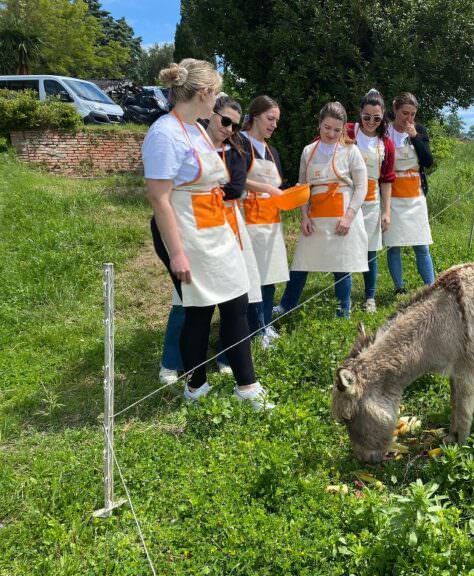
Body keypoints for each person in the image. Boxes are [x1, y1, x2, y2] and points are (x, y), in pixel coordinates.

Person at [143, 59, 272, 409]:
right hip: (188, 234)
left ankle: (247, 387)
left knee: (237, 303)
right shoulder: (164, 133)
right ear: (203, 94)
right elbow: (159, 198)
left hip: (217, 229)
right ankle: (196, 386)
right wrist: (177, 253)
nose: (216, 102)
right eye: (214, 94)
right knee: (199, 311)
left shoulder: (198, 129)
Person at [277, 102, 368, 318]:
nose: (331, 133)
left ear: (343, 128)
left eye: (337, 130)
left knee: (342, 263)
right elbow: (303, 186)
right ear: (319, 124)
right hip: (316, 215)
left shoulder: (351, 151)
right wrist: (305, 216)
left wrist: (349, 217)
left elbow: (362, 186)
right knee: (301, 261)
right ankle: (286, 306)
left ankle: (343, 310)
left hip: (342, 215)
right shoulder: (308, 151)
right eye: (327, 127)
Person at [240, 96, 289, 348]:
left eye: (276, 121)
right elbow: (233, 178)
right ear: (255, 116)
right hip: (247, 221)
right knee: (253, 279)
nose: (274, 125)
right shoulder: (239, 144)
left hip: (271, 223)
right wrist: (266, 189)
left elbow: (278, 184)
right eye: (270, 119)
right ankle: (254, 329)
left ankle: (266, 323)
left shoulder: (272, 152)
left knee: (270, 275)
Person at [347, 89, 395, 313]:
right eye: (366, 117)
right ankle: (343, 297)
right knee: (345, 247)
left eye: (376, 118)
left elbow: (386, 180)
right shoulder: (348, 131)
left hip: (372, 202)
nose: (370, 122)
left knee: (370, 251)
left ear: (383, 116)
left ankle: (370, 298)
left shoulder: (386, 143)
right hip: (346, 200)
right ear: (360, 113)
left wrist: (386, 211)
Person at [383, 92, 435, 294]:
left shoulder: (419, 131)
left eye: (413, 114)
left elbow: (428, 161)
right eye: (405, 113)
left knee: (421, 244)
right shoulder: (384, 132)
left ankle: (431, 287)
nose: (409, 118)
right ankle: (399, 287)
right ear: (395, 110)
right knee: (394, 245)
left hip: (415, 195)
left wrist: (415, 137)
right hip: (392, 196)